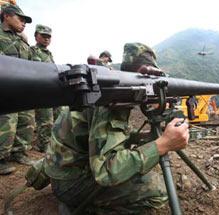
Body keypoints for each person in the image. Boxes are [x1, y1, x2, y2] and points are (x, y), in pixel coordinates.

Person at [43, 43, 189, 214]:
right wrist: (163, 144)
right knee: (157, 192)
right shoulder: (112, 99)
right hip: (70, 183)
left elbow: (111, 137)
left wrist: (149, 138)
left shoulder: (114, 88)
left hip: (65, 169)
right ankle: (82, 207)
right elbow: (105, 171)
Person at [0, 3, 35, 175]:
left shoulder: (22, 41)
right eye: (20, 19)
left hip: (22, 88)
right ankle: (1, 158)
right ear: (6, 16)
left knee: (26, 119)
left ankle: (19, 152)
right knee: (6, 121)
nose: (24, 23)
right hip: (4, 89)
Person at [31, 24, 54, 153]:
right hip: (40, 90)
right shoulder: (33, 50)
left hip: (49, 89)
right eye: (43, 36)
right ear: (36, 36)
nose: (46, 39)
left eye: (49, 37)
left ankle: (49, 142)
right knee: (45, 120)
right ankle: (43, 145)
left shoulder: (49, 53)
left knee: (53, 119)